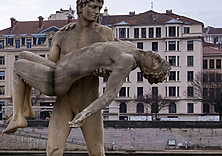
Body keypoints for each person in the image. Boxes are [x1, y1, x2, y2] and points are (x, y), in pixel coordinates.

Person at [3, 0, 116, 156]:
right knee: (53, 151)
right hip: (64, 102)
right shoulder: (61, 36)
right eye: (93, 7)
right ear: (81, 6)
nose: (97, 12)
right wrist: (30, 71)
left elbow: (115, 68)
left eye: (99, 8)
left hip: (89, 103)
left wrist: (105, 71)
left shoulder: (105, 34)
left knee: (96, 153)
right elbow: (51, 68)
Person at [10, 40, 170, 130]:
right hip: (57, 67)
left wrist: (85, 113)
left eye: (157, 63)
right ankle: (27, 109)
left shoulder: (127, 60)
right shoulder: (130, 46)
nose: (159, 58)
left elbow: (109, 95)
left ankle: (18, 117)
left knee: (18, 66)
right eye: (161, 59)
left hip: (57, 79)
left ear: (147, 71)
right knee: (24, 54)